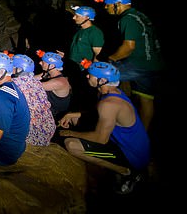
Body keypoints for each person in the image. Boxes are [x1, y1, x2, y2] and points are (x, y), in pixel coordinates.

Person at [58, 62, 150, 195]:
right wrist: (73, 114)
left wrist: (70, 132)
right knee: (76, 120)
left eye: (91, 75)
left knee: (71, 144)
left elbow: (100, 139)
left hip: (132, 157)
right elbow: (99, 114)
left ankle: (126, 171)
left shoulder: (108, 104)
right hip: (135, 147)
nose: (88, 76)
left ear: (102, 80)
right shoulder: (114, 93)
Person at [101, 0, 164, 131]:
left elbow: (129, 47)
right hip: (153, 64)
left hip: (138, 64)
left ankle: (106, 124)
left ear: (117, 5)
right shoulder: (141, 16)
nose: (106, 8)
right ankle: (143, 133)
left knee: (101, 77)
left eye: (108, 5)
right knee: (146, 99)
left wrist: (111, 59)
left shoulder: (127, 19)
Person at [58, 5, 104, 113]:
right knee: (75, 95)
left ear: (86, 17)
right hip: (74, 69)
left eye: (77, 16)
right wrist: (66, 56)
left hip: (84, 71)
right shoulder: (79, 31)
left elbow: (99, 54)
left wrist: (93, 74)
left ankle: (84, 121)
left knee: (85, 98)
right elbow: (79, 49)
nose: (74, 18)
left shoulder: (94, 32)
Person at [11, 54, 56, 146]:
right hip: (48, 129)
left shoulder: (14, 85)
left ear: (18, 69)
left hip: (32, 133)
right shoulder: (37, 83)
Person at [35, 51, 72, 121]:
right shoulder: (51, 74)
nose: (40, 63)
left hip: (56, 115)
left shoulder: (58, 82)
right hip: (50, 109)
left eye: (43, 62)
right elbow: (32, 79)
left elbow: (30, 85)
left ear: (52, 66)